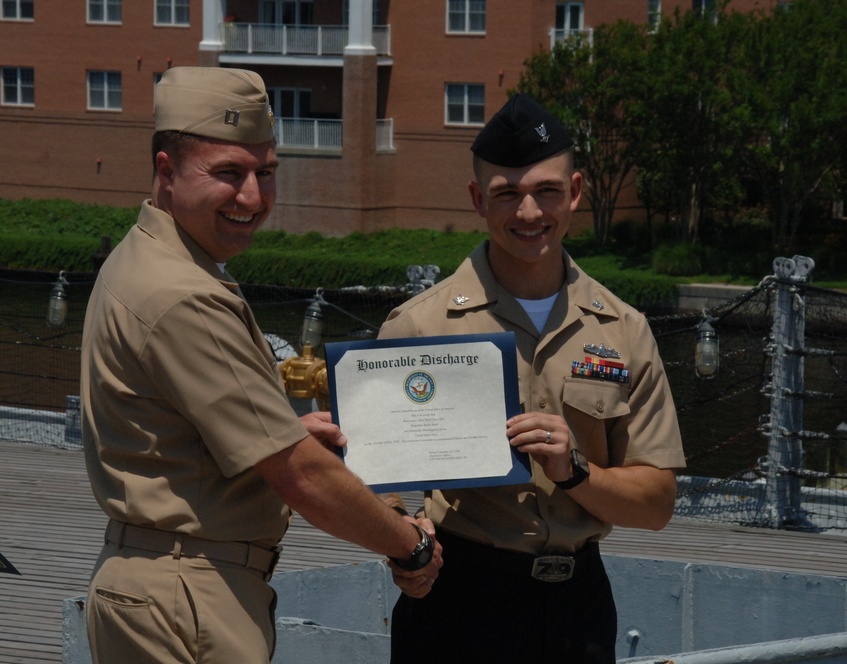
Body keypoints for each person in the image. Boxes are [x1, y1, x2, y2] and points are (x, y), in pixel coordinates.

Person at [80, 67, 441, 664]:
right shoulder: (184, 294)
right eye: (228, 173)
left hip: (163, 582)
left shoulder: (145, 261)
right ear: (167, 171)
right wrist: (411, 546)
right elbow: (300, 476)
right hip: (189, 594)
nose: (253, 196)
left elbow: (185, 441)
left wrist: (283, 433)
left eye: (265, 173)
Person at [379, 93, 686, 664]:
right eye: (506, 194)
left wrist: (575, 473)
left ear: (574, 192)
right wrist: (404, 541)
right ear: (478, 199)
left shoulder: (624, 329)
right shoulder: (420, 325)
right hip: (458, 602)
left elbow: (657, 504)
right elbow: (375, 476)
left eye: (547, 191)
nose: (528, 213)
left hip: (579, 609)